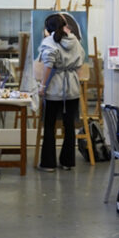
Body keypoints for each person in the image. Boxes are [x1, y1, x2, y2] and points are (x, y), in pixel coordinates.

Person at [36, 13, 85, 172]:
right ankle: (68, 162)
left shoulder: (49, 42)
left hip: (54, 87)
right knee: (69, 125)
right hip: (72, 87)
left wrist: (43, 86)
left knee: (49, 125)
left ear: (48, 28)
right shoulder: (74, 40)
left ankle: (48, 163)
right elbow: (80, 62)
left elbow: (48, 66)